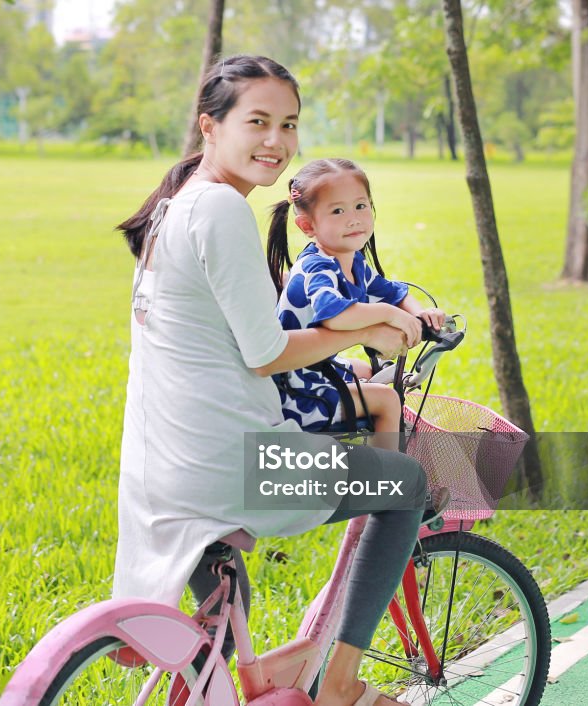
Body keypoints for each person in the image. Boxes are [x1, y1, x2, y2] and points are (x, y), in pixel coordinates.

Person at [113, 55, 426, 706]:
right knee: (405, 484)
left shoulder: (174, 206)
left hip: (162, 470)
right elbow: (265, 353)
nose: (277, 142)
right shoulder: (223, 209)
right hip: (242, 466)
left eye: (288, 124)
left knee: (230, 623)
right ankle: (340, 681)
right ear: (210, 126)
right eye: (257, 122)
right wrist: (368, 330)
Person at [266, 158, 446, 450]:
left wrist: (420, 313)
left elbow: (391, 291)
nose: (354, 218)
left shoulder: (353, 261)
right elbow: (336, 316)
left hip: (315, 369)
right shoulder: (317, 268)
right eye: (338, 210)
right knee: (388, 401)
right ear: (307, 225)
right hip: (294, 390)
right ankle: (386, 486)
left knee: (364, 370)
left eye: (361, 206)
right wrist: (391, 316)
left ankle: (366, 448)